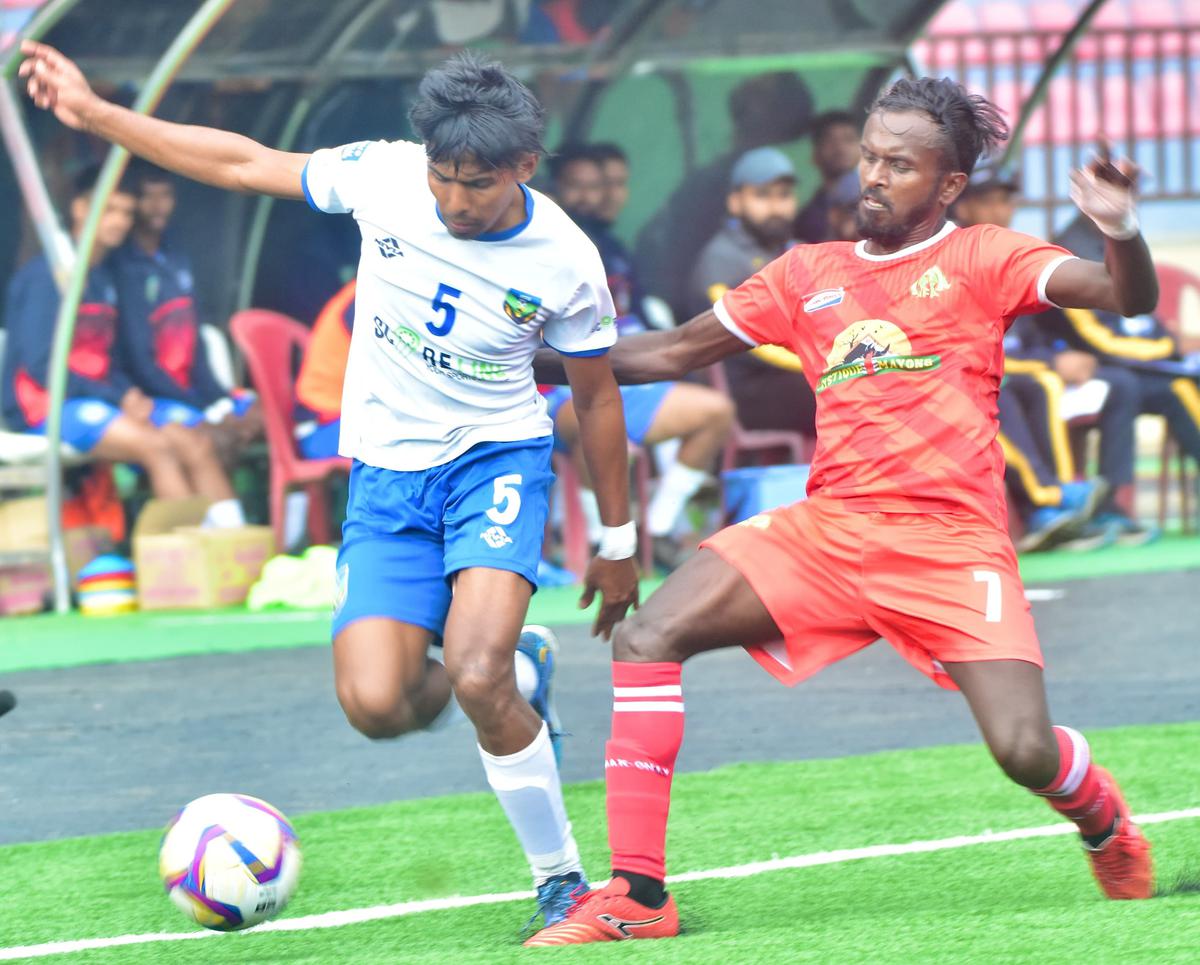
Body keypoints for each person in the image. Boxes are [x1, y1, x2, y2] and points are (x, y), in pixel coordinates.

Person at [19, 41, 641, 931]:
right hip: (387, 478)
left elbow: (598, 400)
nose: (454, 201)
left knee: (472, 672)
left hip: (494, 463)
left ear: (524, 168)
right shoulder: (383, 177)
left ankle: (562, 881)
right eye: (443, 177)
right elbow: (239, 160)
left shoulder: (566, 259)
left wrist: (618, 544)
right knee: (377, 705)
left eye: (477, 183)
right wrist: (96, 115)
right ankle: (524, 673)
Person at [526, 78, 1157, 946]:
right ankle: (638, 893)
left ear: (945, 185)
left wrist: (1119, 229)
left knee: (1024, 751)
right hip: (827, 532)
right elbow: (671, 349)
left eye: (899, 164)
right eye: (868, 156)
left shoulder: (986, 256)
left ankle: (1102, 818)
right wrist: (530, 356)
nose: (873, 175)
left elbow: (1126, 299)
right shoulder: (805, 272)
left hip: (949, 543)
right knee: (646, 636)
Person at [1, 167, 243, 520]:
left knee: (195, 443)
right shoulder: (47, 276)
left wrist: (129, 394)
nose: (119, 221)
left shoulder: (104, 275)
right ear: (80, 209)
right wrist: (119, 397)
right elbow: (42, 366)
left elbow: (108, 359)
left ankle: (231, 542)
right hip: (45, 406)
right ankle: (187, 554)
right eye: (109, 209)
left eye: (126, 212)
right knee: (157, 446)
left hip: (100, 399)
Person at [548, 145, 734, 570]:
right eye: (579, 188)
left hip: (619, 384)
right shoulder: (544, 246)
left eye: (600, 187)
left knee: (715, 413)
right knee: (603, 431)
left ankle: (660, 530)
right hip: (554, 394)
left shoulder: (610, 244)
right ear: (553, 191)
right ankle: (602, 546)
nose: (592, 197)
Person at [952, 164, 1148, 547]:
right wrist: (1050, 364)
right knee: (1032, 384)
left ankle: (1104, 506)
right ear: (961, 207)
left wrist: (1063, 358)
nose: (998, 210)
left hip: (1027, 371)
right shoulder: (955, 257)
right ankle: (1052, 501)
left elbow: (1037, 332)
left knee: (1120, 383)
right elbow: (962, 349)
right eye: (986, 201)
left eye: (1005, 201)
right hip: (980, 377)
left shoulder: (1015, 252)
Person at [110, 162, 261, 461]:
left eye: (165, 195)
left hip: (195, 393)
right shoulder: (122, 267)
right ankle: (217, 505)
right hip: (159, 399)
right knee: (213, 438)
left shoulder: (175, 254)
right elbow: (140, 360)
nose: (157, 206)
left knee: (265, 417)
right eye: (147, 197)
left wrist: (219, 398)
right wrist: (201, 406)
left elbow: (195, 337)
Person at [689, 146, 816, 439]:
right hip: (749, 389)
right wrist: (820, 362)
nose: (775, 207)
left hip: (795, 375)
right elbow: (742, 339)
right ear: (735, 202)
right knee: (841, 388)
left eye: (783, 195)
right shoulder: (721, 258)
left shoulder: (794, 250)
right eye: (762, 195)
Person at [794, 109, 862, 243]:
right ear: (815, 154)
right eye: (830, 141)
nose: (841, 149)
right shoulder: (807, 220)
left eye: (849, 139)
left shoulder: (876, 202)